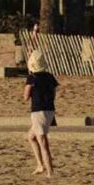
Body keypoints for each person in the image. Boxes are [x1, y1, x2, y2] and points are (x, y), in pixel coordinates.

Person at [24, 46, 58, 177]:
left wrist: (30, 87)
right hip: (50, 110)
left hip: (38, 111)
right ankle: (40, 165)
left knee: (43, 142)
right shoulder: (50, 77)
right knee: (31, 137)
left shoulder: (32, 78)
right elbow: (54, 94)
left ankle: (49, 171)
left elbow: (26, 97)